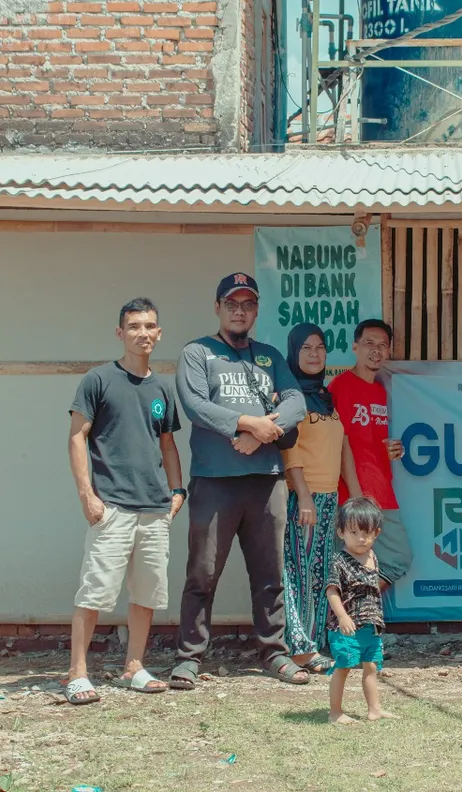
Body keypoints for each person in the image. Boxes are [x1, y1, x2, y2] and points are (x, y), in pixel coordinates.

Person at [169, 272, 311, 690]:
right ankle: (189, 656)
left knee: (270, 574)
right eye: (232, 303)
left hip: (266, 481)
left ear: (255, 310)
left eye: (247, 304)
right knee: (202, 573)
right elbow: (195, 405)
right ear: (218, 308)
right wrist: (246, 423)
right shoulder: (198, 352)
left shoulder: (268, 356)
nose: (239, 310)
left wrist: (261, 433)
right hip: (215, 481)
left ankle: (275, 652)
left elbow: (296, 401)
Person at [65, 297, 186, 705]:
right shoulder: (98, 380)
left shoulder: (162, 388)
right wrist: (87, 495)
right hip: (111, 505)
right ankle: (77, 674)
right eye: (134, 326)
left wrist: (178, 491)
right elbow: (77, 436)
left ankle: (133, 667)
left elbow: (168, 445)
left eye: (150, 326)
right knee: (95, 592)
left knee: (146, 594)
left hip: (154, 508)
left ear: (159, 332)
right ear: (120, 333)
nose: (143, 333)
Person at [281, 323, 362, 675]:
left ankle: (313, 644)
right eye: (306, 348)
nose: (314, 354)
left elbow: (342, 447)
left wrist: (355, 495)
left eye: (320, 348)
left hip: (328, 496)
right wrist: (303, 497)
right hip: (303, 497)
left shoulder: (327, 398)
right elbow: (289, 450)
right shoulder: (288, 396)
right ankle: (298, 648)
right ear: (294, 353)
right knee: (297, 572)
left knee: (319, 573)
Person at [329, 319, 414, 592]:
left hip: (382, 491)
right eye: (369, 343)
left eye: (382, 345)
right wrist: (356, 498)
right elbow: (339, 444)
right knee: (345, 567)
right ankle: (348, 627)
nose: (376, 350)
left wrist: (390, 450)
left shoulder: (379, 390)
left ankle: (356, 619)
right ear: (355, 347)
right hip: (352, 496)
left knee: (395, 559)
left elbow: (368, 441)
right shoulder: (340, 386)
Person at [326, 497, 399, 725]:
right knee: (344, 667)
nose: (361, 538)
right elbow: (332, 591)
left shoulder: (373, 557)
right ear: (340, 533)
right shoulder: (339, 561)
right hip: (345, 628)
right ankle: (335, 712)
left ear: (376, 533)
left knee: (371, 667)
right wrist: (342, 616)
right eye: (354, 532)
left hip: (371, 626)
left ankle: (374, 709)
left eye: (367, 533)